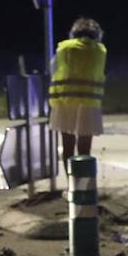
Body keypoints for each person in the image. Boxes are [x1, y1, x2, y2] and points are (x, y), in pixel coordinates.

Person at [49, 16, 107, 170]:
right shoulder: (100, 51)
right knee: (85, 148)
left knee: (67, 146)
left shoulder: (63, 48)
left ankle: (71, 184)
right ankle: (83, 184)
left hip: (64, 101)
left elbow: (53, 69)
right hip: (90, 102)